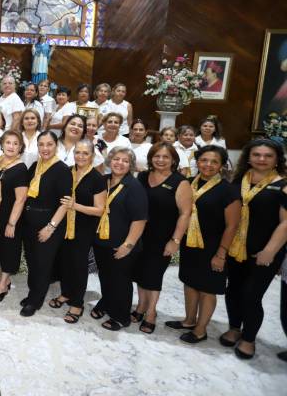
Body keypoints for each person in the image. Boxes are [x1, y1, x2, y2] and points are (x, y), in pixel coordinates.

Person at [164, 146, 239, 344]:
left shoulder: (228, 190)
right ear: (197, 162)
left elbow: (232, 226)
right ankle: (189, 320)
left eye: (214, 161)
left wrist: (221, 254)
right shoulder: (188, 183)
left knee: (207, 289)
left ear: (222, 165)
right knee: (190, 283)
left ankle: (201, 330)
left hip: (213, 246)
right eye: (204, 160)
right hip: (190, 244)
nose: (208, 165)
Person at [221, 140, 287, 359]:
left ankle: (249, 339)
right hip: (235, 248)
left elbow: (285, 223)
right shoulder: (238, 181)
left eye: (268, 155)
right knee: (233, 290)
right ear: (248, 157)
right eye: (257, 154)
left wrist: (270, 250)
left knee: (251, 295)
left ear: (277, 159)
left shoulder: (283, 184)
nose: (261, 159)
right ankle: (234, 327)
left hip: (264, 252)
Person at [132, 143, 192, 334]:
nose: (160, 160)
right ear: (151, 158)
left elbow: (185, 213)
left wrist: (175, 241)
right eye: (157, 156)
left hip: (163, 238)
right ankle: (140, 307)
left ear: (173, 160)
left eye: (165, 157)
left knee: (153, 276)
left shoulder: (180, 182)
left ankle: (151, 313)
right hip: (140, 235)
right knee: (140, 273)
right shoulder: (142, 177)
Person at [91, 147, 148, 331]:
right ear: (110, 161)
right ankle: (107, 302)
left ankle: (121, 316)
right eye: (116, 159)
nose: (119, 163)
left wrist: (128, 245)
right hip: (102, 241)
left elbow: (140, 220)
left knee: (120, 281)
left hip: (122, 244)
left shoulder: (134, 186)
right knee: (105, 276)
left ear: (130, 165)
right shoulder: (103, 181)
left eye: (125, 160)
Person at [20, 131, 71, 317]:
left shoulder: (62, 170)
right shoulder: (35, 166)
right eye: (41, 144)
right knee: (33, 262)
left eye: (49, 144)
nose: (45, 148)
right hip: (30, 223)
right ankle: (33, 293)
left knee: (42, 264)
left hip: (48, 225)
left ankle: (35, 301)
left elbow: (65, 203)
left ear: (56, 145)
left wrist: (51, 227)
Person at [54, 140, 106, 323]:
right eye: (78, 152)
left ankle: (77, 303)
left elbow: (100, 209)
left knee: (78, 265)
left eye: (85, 153)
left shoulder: (97, 178)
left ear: (92, 156)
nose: (80, 156)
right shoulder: (68, 172)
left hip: (84, 228)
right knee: (64, 262)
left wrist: (75, 206)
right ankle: (66, 293)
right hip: (64, 226)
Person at [0, 131, 27, 303]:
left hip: (11, 216)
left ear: (20, 147)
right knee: (0, 249)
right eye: (8, 142)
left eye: (15, 143)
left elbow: (21, 199)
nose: (11, 146)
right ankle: (5, 279)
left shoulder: (20, 168)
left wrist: (12, 223)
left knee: (9, 250)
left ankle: (3, 285)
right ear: (2, 144)